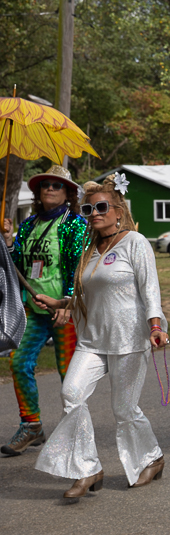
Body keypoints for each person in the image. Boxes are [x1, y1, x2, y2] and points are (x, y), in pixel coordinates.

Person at [33, 174, 168, 496]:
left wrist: (155, 326)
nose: (94, 213)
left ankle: (152, 458)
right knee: (71, 394)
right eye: (88, 208)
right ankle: (87, 468)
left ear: (118, 211)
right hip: (92, 341)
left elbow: (150, 289)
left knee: (124, 409)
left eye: (101, 207)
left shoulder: (135, 242)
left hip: (129, 338)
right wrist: (59, 303)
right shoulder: (88, 249)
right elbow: (86, 297)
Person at [2, 165, 88, 457]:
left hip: (64, 313)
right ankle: (32, 426)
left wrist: (68, 302)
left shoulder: (74, 224)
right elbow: (17, 265)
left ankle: (75, 432)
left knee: (69, 376)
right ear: (38, 192)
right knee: (18, 363)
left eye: (57, 185)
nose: (50, 188)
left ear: (68, 193)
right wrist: (8, 241)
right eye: (45, 185)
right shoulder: (29, 224)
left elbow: (79, 267)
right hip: (34, 311)